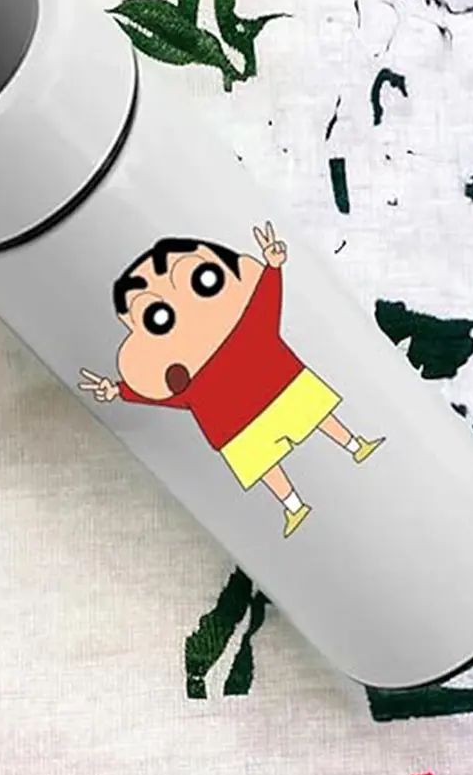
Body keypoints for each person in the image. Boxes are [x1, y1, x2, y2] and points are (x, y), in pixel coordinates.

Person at [80, 222, 384, 538]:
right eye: (157, 318)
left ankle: (353, 445)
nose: (189, 315)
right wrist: (118, 390)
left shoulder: (247, 324)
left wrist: (272, 267)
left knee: (314, 419)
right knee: (269, 463)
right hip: (240, 424)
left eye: (204, 280)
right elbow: (162, 397)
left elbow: (265, 299)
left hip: (276, 393)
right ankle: (295, 505)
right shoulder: (186, 379)